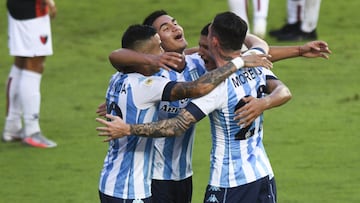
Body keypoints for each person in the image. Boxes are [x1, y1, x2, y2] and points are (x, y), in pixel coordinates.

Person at [96, 11, 292, 203]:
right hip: (157, 178)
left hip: (212, 179)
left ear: (214, 42)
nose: (174, 27)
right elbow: (262, 50)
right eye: (164, 29)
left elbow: (178, 123)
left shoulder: (206, 73)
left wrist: (128, 126)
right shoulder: (251, 63)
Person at [2, 0, 57, 148]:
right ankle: (32, 132)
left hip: (16, 7)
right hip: (32, 9)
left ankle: (12, 127)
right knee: (35, 64)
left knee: (20, 62)